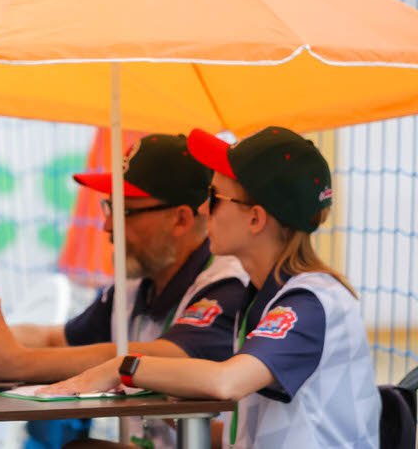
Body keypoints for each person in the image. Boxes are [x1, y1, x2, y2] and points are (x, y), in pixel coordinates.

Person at [45, 127, 380, 449]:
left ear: (255, 219)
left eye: (214, 198)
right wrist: (174, 413)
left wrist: (123, 368)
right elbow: (243, 438)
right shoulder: (264, 296)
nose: (203, 209)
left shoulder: (310, 302)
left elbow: (225, 381)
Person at [0, 133, 249, 448]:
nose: (107, 226)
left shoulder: (226, 284)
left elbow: (158, 356)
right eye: (109, 207)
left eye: (125, 212)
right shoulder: (135, 283)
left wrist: (19, 362)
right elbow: (59, 339)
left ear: (180, 219)